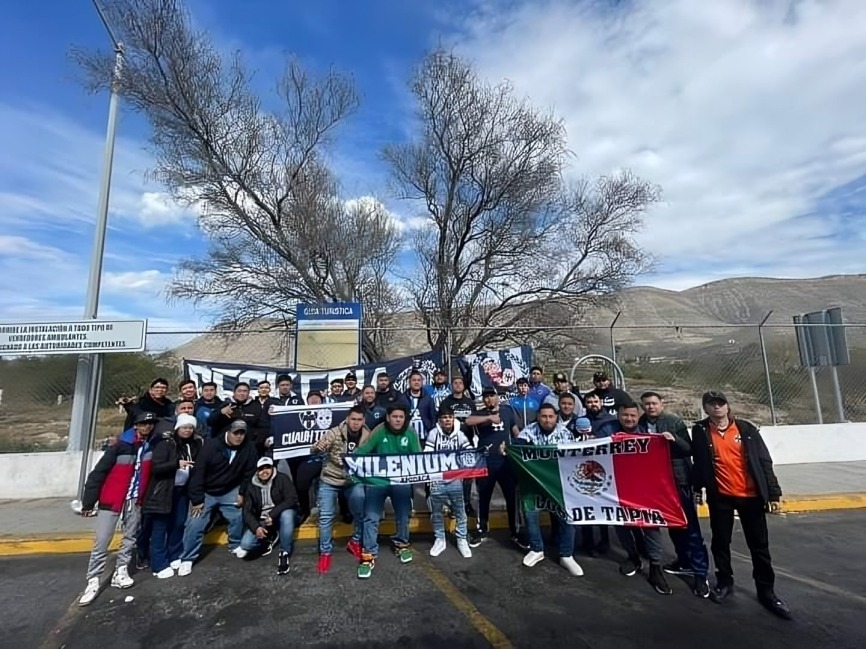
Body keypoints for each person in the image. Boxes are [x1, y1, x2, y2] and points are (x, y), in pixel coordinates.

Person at [691, 391, 790, 619]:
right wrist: (697, 488)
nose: (717, 408)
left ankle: (767, 590)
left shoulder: (746, 429)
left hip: (751, 497)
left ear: (727, 406)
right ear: (705, 408)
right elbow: (699, 461)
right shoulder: (700, 430)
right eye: (711, 404)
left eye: (720, 403)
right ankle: (725, 581)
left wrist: (774, 493)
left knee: (759, 546)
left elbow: (764, 460)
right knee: (720, 542)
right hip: (721, 496)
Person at [77, 412, 155, 606]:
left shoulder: (149, 447)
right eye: (143, 423)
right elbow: (98, 473)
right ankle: (93, 579)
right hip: (111, 500)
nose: (147, 427)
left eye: (150, 424)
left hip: (134, 500)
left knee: (129, 537)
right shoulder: (119, 446)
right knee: (102, 540)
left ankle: (121, 570)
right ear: (136, 425)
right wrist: (88, 502)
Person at [638, 391, 711, 598]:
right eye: (646, 404)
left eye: (654, 403)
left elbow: (689, 449)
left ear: (662, 404)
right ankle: (683, 561)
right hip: (655, 483)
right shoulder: (641, 423)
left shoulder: (673, 421)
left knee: (690, 527)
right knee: (672, 525)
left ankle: (700, 574)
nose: (650, 407)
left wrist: (673, 440)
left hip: (678, 481)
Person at [604, 402, 672, 595]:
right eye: (625, 415)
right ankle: (632, 556)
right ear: (619, 416)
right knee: (622, 525)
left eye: (633, 415)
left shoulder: (649, 436)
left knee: (650, 527)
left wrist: (666, 441)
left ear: (638, 416)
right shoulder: (609, 434)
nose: (629, 419)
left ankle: (655, 566)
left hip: (644, 491)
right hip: (617, 489)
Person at [178, 420, 258, 576]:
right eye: (236, 433)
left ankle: (234, 544)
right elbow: (198, 474)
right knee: (194, 523)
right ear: (228, 432)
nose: (239, 436)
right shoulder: (211, 446)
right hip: (207, 491)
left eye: (242, 433)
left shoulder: (249, 447)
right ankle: (188, 558)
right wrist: (197, 500)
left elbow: (249, 473)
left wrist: (242, 492)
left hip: (230, 489)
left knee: (238, 516)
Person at [512, 403, 584, 576]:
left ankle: (566, 554)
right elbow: (518, 447)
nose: (547, 420)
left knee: (567, 519)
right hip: (533, 484)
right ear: (538, 417)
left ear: (556, 417)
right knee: (531, 516)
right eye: (543, 416)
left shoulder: (565, 434)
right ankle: (537, 549)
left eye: (550, 416)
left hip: (558, 486)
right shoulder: (528, 432)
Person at [354, 404, 420, 579]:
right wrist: (351, 460)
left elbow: (419, 458)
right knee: (371, 517)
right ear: (388, 418)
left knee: (404, 515)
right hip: (378, 481)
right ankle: (368, 554)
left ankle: (402, 545)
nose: (398, 419)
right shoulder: (379, 430)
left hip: (400, 482)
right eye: (395, 416)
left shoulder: (410, 433)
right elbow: (364, 450)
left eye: (401, 417)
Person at [311, 405, 371, 573]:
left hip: (352, 481)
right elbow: (313, 450)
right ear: (347, 419)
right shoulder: (334, 432)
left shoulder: (368, 435)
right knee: (326, 517)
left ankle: (356, 542)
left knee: (360, 512)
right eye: (353, 419)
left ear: (364, 421)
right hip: (330, 479)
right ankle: (325, 552)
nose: (356, 423)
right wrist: (318, 447)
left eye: (359, 420)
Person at [143, 413, 202, 579]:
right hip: (163, 491)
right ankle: (159, 564)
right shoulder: (165, 444)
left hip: (181, 492)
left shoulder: (191, 445)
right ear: (177, 428)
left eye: (190, 428)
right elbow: (156, 468)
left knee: (178, 524)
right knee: (160, 528)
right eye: (184, 427)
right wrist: (176, 464)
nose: (188, 430)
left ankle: (174, 554)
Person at [466, 388, 522, 549]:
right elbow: (468, 421)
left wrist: (519, 447)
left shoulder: (507, 411)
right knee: (483, 498)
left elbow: (516, 433)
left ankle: (515, 532)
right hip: (485, 462)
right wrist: (489, 418)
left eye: (492, 396)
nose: (489, 399)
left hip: (506, 462)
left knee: (512, 498)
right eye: (486, 397)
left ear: (497, 397)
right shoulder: (480, 413)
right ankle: (482, 529)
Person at [424, 404, 473, 559]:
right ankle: (440, 539)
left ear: (454, 418)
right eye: (444, 417)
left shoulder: (460, 434)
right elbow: (427, 454)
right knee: (436, 511)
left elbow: (469, 450)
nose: (447, 420)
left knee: (460, 511)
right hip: (437, 479)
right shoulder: (433, 434)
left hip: (455, 479)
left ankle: (461, 539)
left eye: (450, 417)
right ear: (440, 420)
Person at [237, 456, 299, 575]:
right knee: (246, 544)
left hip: (281, 516)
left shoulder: (282, 479)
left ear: (272, 468)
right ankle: (269, 538)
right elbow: (247, 511)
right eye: (261, 468)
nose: (265, 471)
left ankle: (284, 552)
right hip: (263, 520)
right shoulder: (251, 485)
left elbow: (292, 499)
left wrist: (273, 514)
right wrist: (256, 528)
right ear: (257, 470)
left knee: (287, 514)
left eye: (268, 468)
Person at [404, 370, 437, 444]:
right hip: (407, 437)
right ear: (409, 382)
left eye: (419, 380)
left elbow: (433, 417)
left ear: (422, 382)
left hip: (424, 438)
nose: (416, 382)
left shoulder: (428, 399)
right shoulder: (403, 398)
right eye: (414, 380)